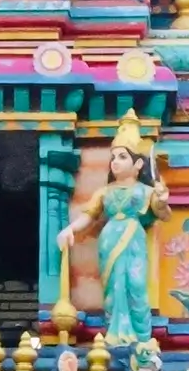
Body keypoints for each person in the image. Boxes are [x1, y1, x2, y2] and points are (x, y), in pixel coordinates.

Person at [58, 114, 168, 347]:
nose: (115, 162)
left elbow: (163, 214)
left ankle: (140, 336)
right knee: (114, 286)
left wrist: (162, 199)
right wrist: (69, 229)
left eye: (122, 157)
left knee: (136, 284)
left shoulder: (145, 191)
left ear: (138, 164)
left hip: (134, 238)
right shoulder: (104, 192)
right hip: (110, 240)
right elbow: (88, 216)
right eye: (113, 157)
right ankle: (116, 333)